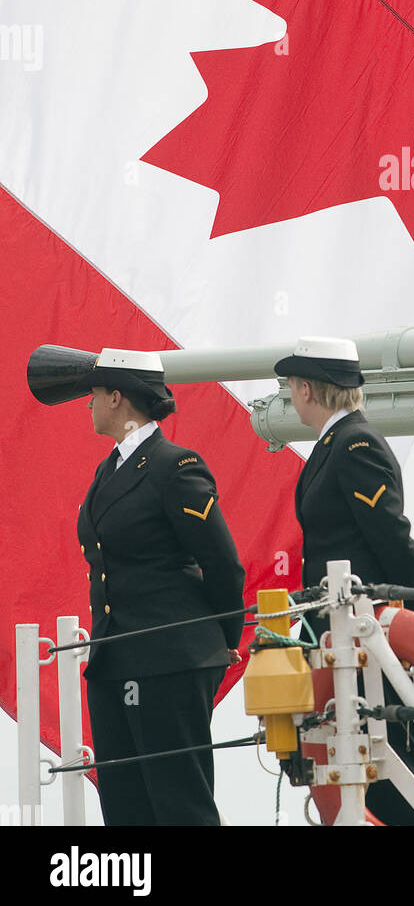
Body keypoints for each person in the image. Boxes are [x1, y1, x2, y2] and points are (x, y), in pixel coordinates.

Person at [69, 352, 246, 825]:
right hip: (116, 657)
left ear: (116, 397)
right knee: (126, 809)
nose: (87, 404)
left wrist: (223, 639)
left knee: (179, 804)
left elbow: (222, 563)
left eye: (93, 394)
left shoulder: (175, 465)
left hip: (169, 658)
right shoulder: (109, 470)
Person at [275, 335, 414, 825]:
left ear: (307, 389)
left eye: (290, 387)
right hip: (338, 637)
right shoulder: (334, 445)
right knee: (359, 757)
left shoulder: (356, 444)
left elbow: (392, 538)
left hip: (370, 635)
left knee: (392, 758)